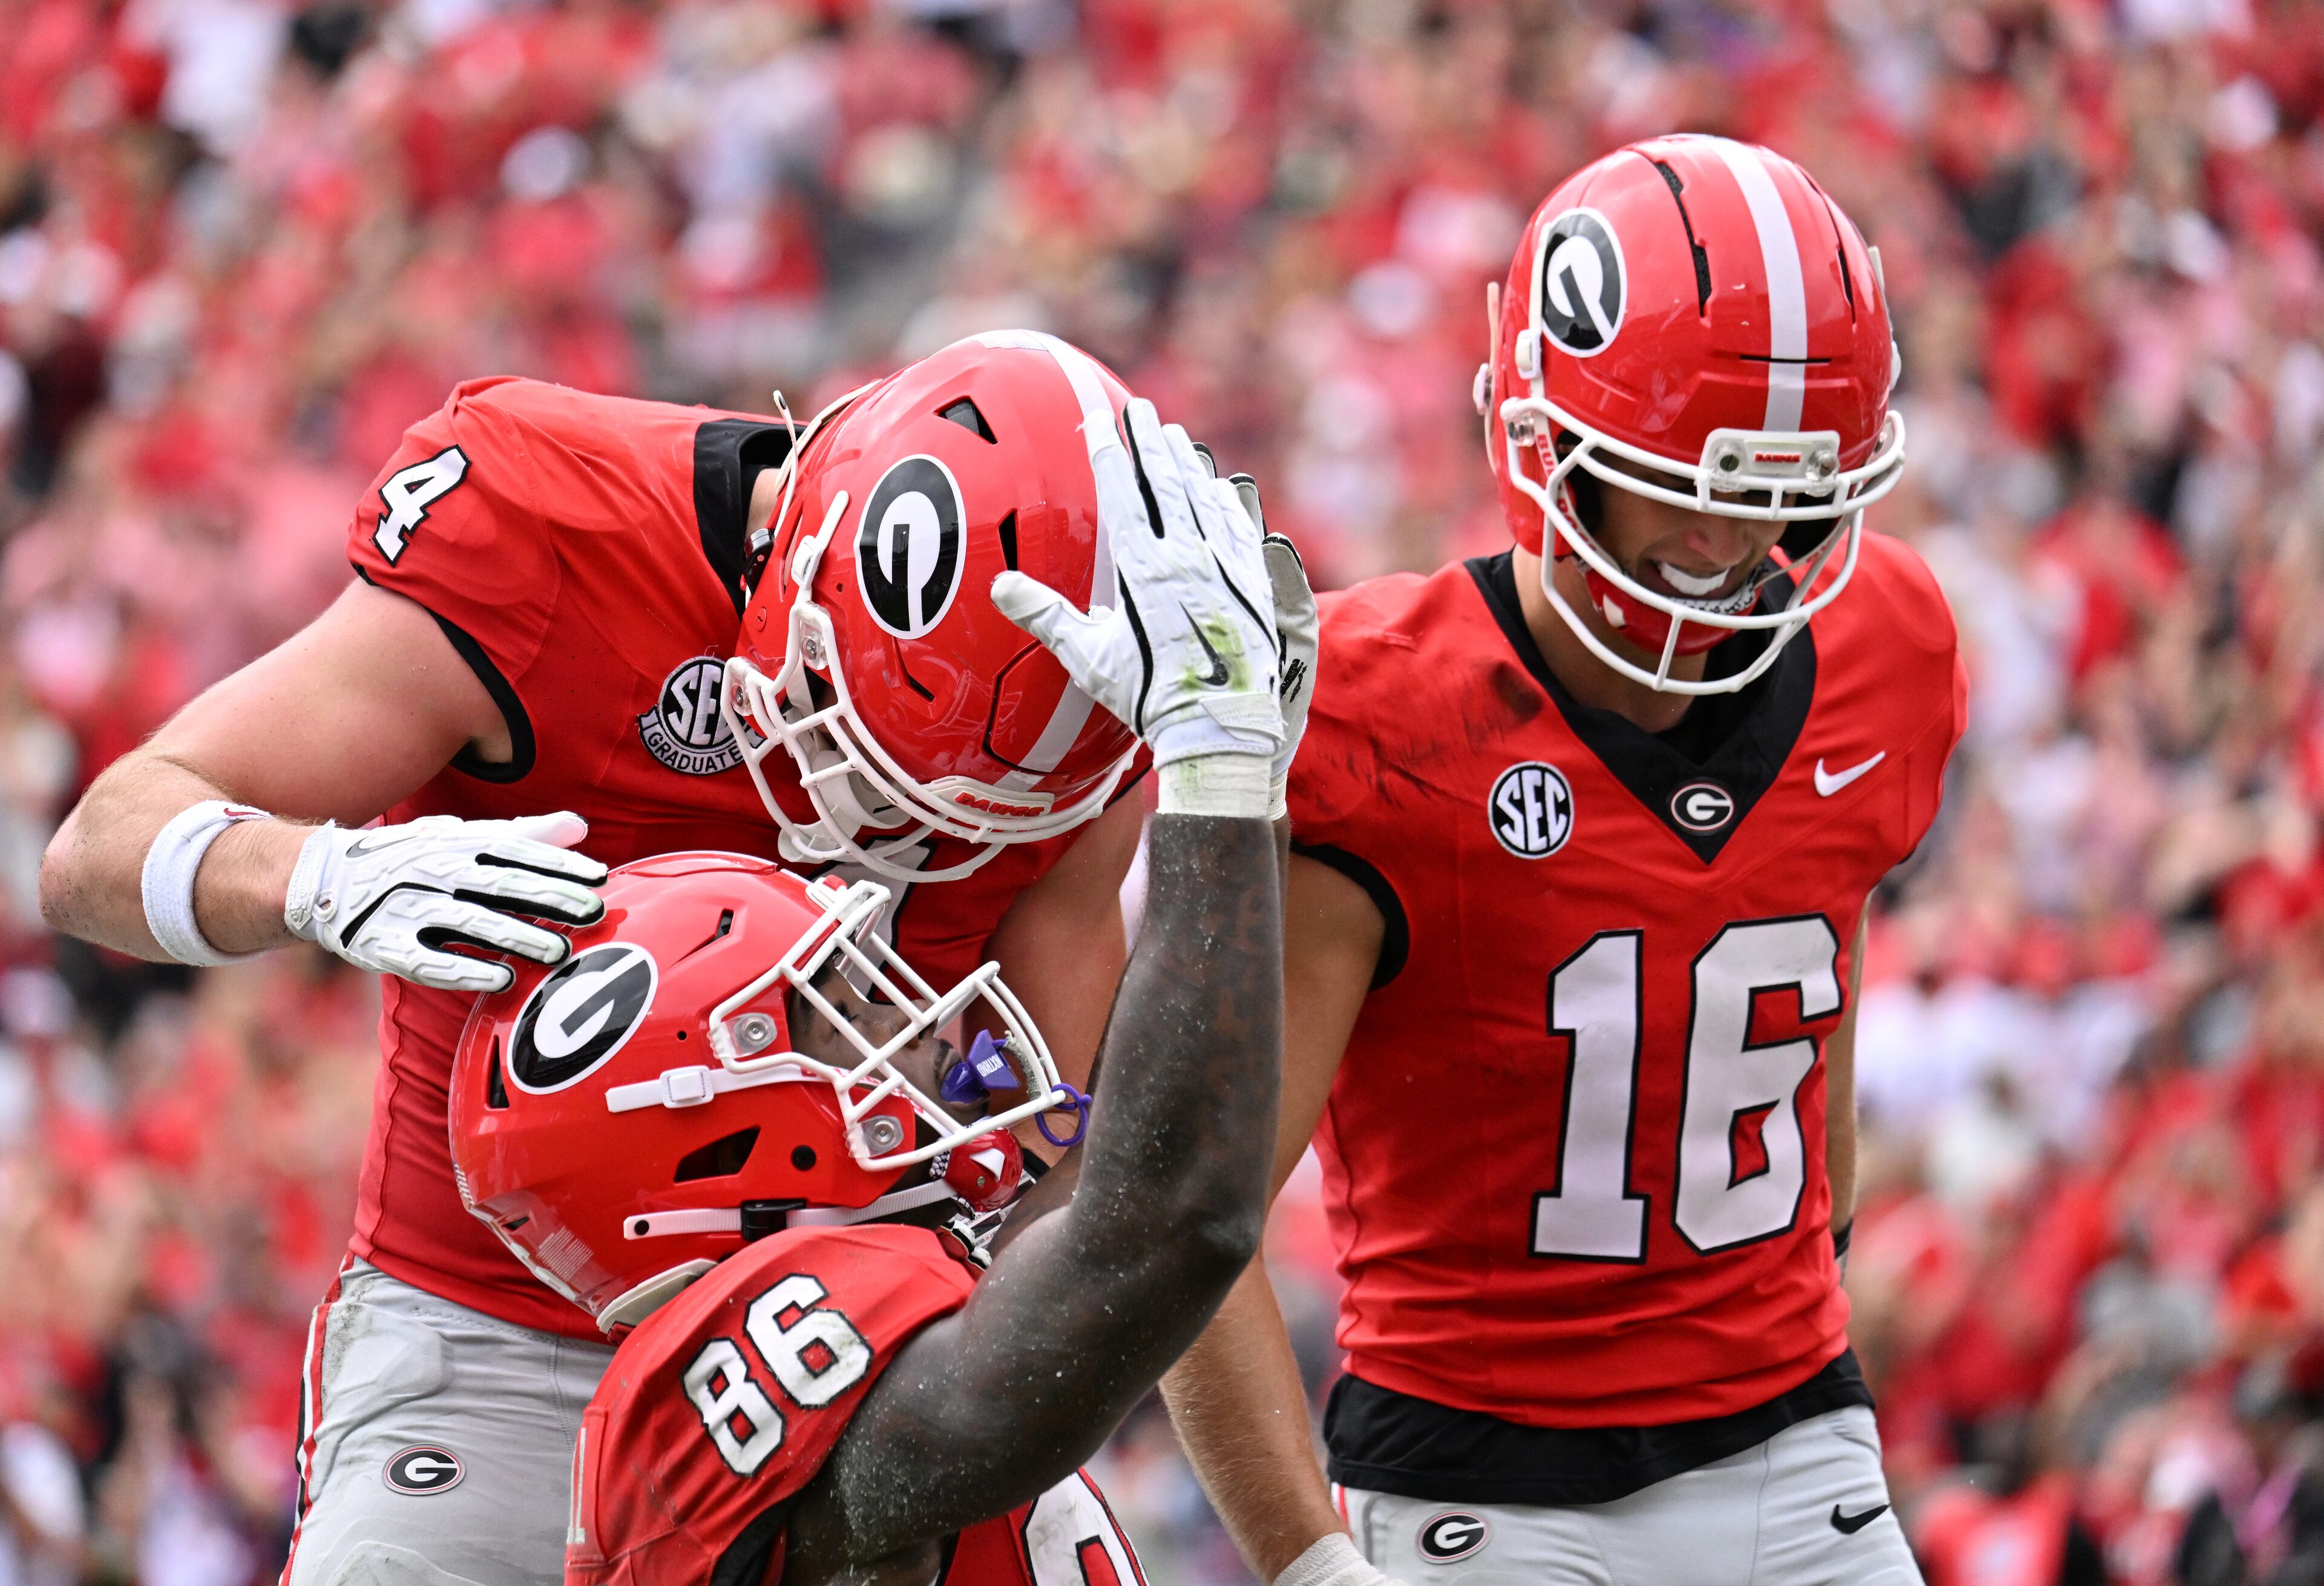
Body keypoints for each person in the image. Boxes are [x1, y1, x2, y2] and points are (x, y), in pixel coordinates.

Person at [33, 333, 1201, 1586]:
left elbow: (1065, 1159)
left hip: (861, 1348)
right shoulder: (556, 527)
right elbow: (98, 846)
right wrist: (320, 874)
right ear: (806, 558)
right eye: (850, 746)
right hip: (494, 1329)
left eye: (945, 818)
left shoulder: (1096, 696)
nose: (874, 832)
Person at [1161, 134, 1965, 1586]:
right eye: (1676, 483)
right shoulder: (1378, 715)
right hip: (1486, 1487)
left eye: (1778, 494)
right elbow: (1179, 1223)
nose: (1725, 545)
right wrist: (1304, 1559)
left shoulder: (1884, 653)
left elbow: (1811, 1022)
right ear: (1544, 443)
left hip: (1795, 1438)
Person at [448, 395, 1299, 1586]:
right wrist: (1215, 778)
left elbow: (1099, 1146)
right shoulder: (709, 1388)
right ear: (715, 1123)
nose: (926, 1017)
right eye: (845, 996)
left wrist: (1243, 787)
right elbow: (1164, 1223)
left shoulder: (897, 1265)